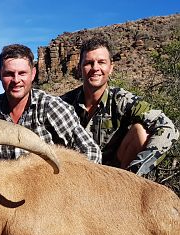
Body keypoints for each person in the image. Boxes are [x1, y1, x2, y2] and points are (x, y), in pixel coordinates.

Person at [61, 36, 179, 175]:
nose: (95, 68)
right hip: (76, 175)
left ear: (111, 68)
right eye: (88, 63)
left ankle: (129, 187)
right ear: (79, 68)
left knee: (140, 131)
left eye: (101, 62)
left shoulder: (122, 100)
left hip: (115, 176)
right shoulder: (63, 103)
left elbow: (167, 127)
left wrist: (137, 168)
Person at [0, 44, 101, 163]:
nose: (16, 80)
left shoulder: (50, 106)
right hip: (4, 185)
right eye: (9, 74)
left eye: (22, 73)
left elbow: (91, 152)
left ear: (33, 74)